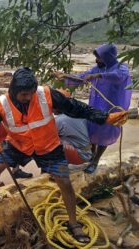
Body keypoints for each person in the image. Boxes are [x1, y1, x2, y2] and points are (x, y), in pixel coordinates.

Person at [0, 67, 128, 243]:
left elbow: (76, 108)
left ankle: (73, 223)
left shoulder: (46, 94)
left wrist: (104, 118)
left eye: (31, 93)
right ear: (13, 90)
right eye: (24, 94)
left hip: (48, 146)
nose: (29, 98)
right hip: (18, 145)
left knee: (65, 182)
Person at [55, 44, 132, 173]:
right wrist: (65, 77)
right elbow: (82, 78)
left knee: (105, 133)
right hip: (96, 104)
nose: (97, 61)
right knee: (93, 131)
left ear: (108, 57)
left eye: (100, 58)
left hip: (112, 108)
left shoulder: (121, 68)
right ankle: (92, 155)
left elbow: (118, 76)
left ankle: (96, 160)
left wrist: (99, 76)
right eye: (96, 58)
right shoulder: (97, 68)